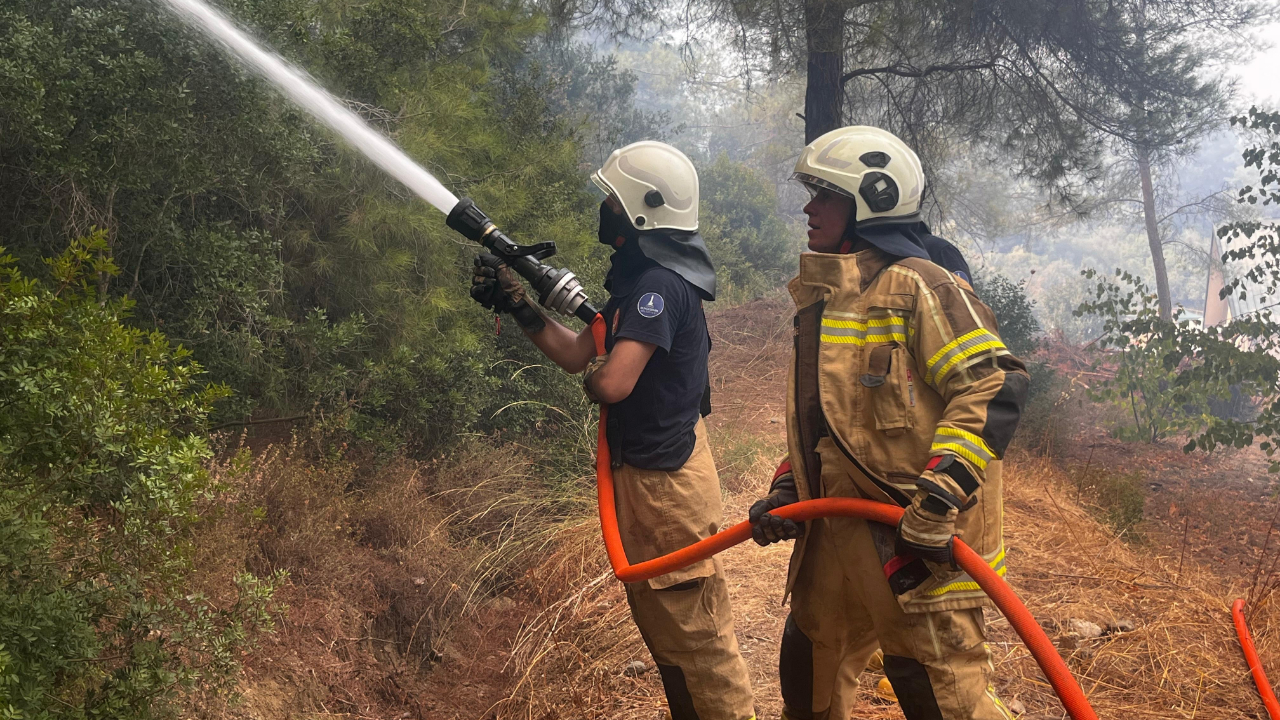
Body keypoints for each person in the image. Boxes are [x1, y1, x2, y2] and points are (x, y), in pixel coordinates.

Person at [748, 126, 1029, 720]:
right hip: (838, 529)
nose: (809, 209)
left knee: (941, 693)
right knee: (809, 665)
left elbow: (992, 384)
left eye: (825, 195)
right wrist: (790, 486)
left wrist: (939, 499)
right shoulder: (829, 295)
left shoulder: (921, 286)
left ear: (870, 200)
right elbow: (828, 419)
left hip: (912, 535)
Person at [470, 141, 755, 720]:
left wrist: (600, 377)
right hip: (650, 479)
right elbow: (579, 353)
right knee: (669, 639)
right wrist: (520, 306)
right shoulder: (641, 283)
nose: (604, 207)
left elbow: (611, 381)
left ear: (642, 212)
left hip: (667, 488)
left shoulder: (658, 288)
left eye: (613, 199)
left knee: (699, 642)